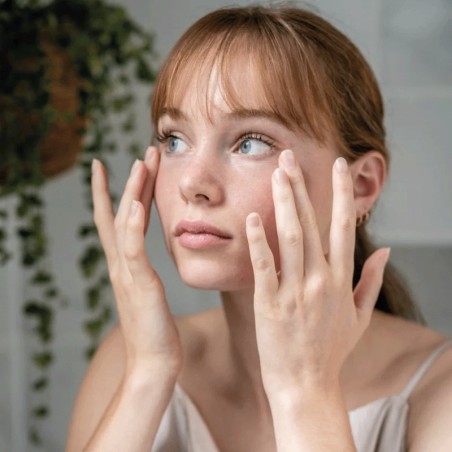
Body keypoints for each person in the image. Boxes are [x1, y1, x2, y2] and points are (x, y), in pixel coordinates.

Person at [65, 5, 452, 452]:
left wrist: (305, 391)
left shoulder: (441, 392)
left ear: (361, 185)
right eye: (174, 140)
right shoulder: (129, 359)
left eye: (250, 142)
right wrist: (148, 375)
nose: (192, 183)